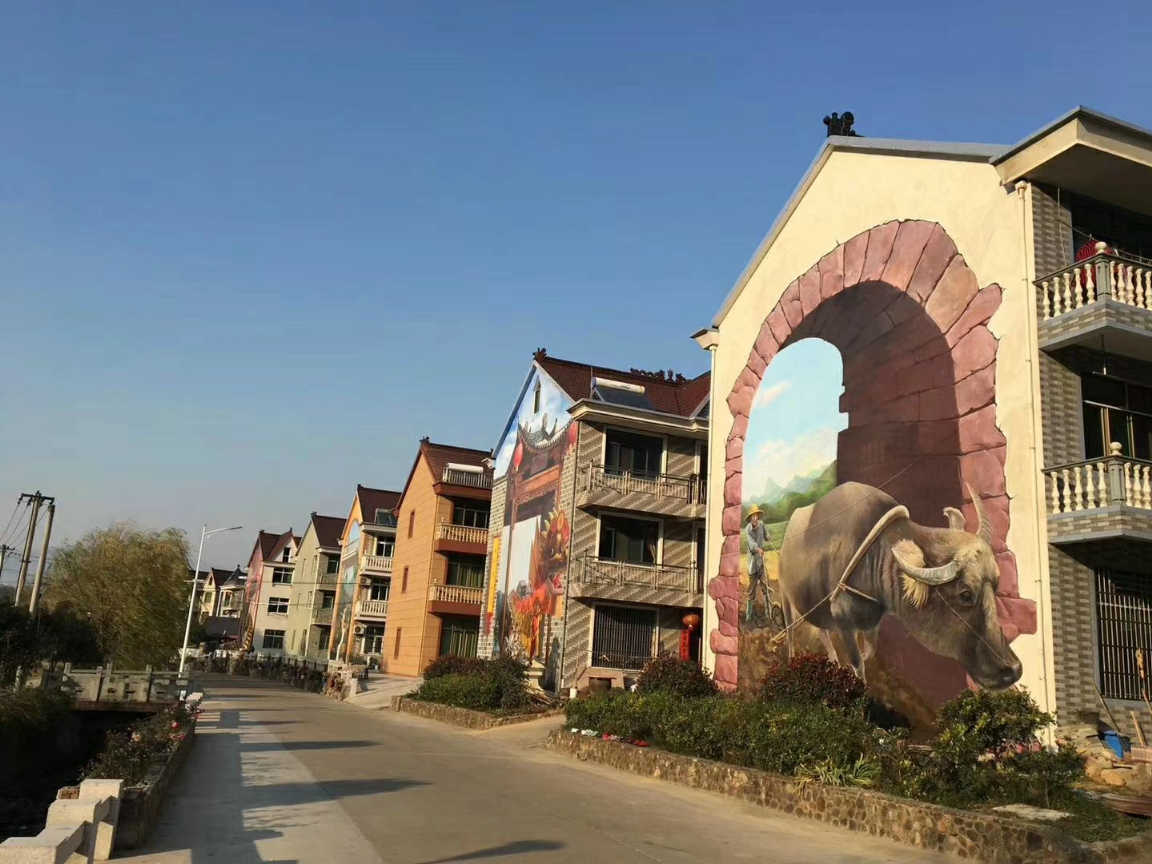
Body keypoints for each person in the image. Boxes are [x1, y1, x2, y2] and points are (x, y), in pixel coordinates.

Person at [745, 506, 771, 625]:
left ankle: (768, 614)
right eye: (753, 516)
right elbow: (751, 545)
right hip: (752, 564)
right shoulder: (748, 530)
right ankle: (748, 617)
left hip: (761, 562)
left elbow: (766, 535)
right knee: (751, 592)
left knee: (766, 587)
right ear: (750, 518)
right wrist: (758, 549)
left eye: (756, 516)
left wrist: (768, 537)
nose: (755, 518)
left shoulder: (762, 525)